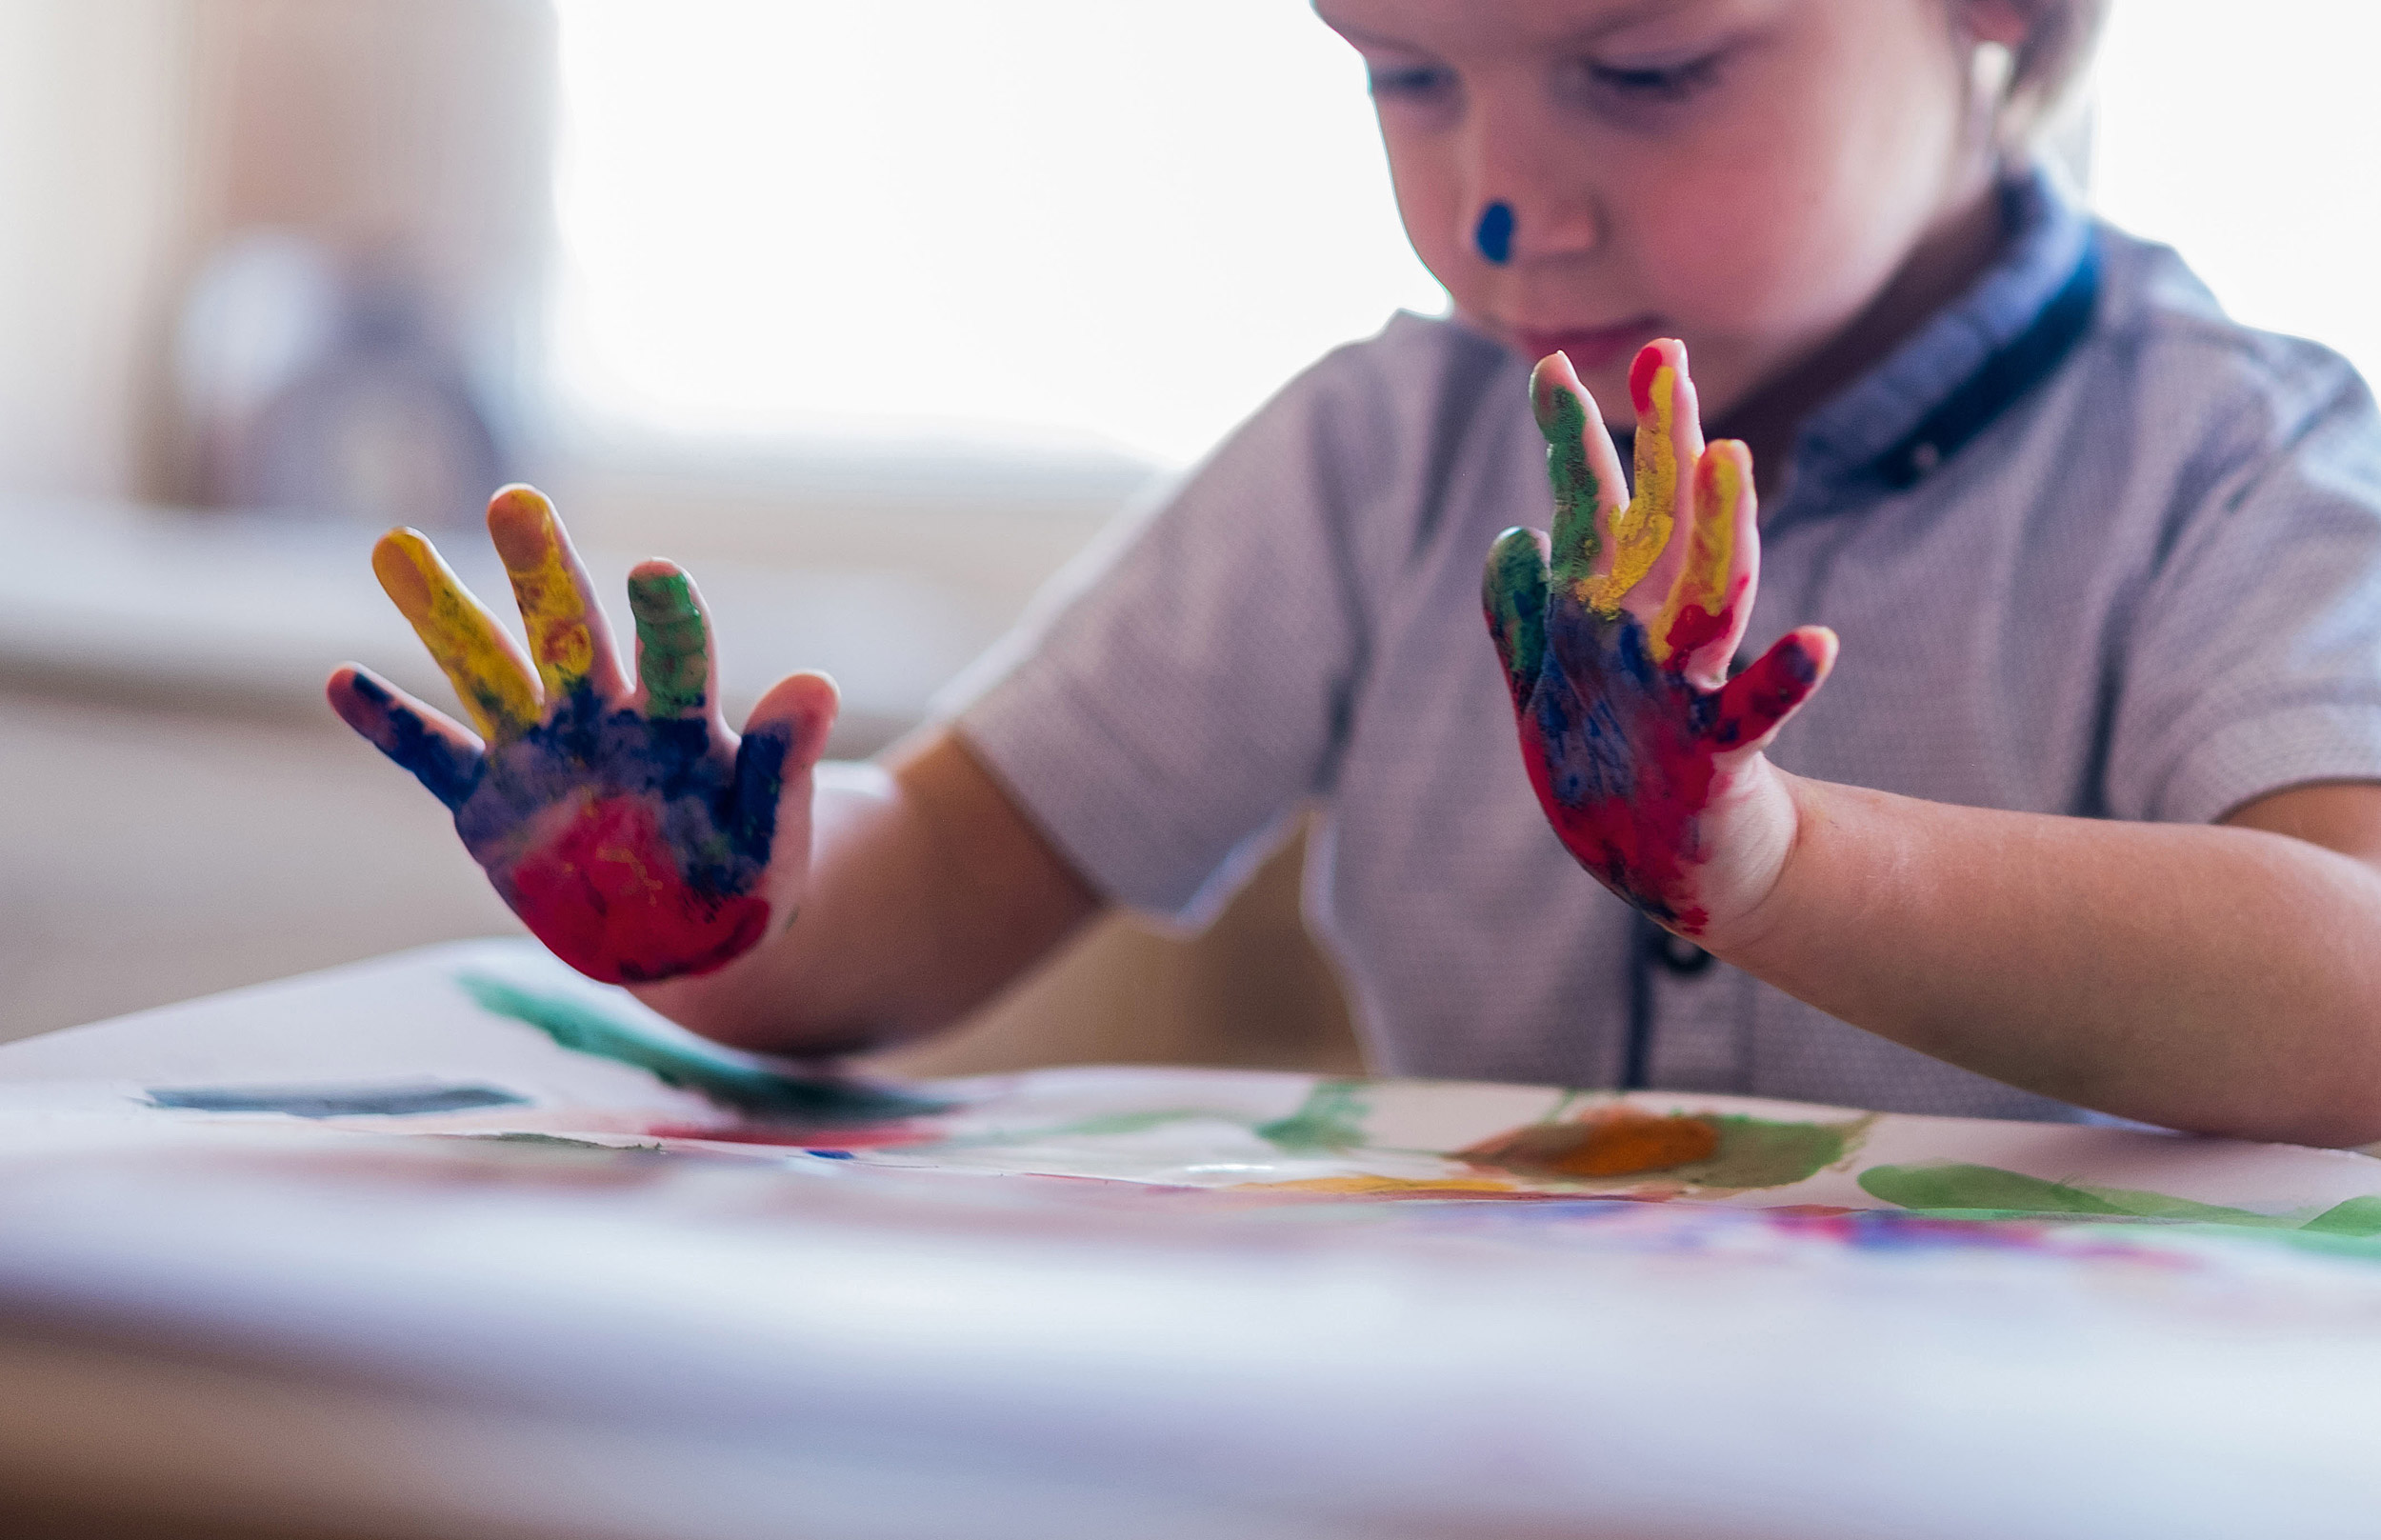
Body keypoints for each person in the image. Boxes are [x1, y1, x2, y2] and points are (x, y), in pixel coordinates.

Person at [331, 0, 2381, 1147]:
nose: (1491, 214)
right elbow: (941, 890)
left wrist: (1772, 863)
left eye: (1645, 70)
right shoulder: (1375, 451)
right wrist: (729, 908)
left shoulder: (2227, 457)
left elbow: (2353, 1000)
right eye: (1402, 74)